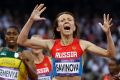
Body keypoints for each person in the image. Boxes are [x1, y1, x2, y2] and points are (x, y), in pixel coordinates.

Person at [17, 4, 116, 80]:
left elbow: (110, 54)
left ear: (73, 27)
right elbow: (21, 41)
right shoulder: (51, 43)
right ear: (58, 28)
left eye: (69, 20)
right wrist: (31, 19)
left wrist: (108, 34)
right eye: (62, 20)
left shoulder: (83, 44)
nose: (66, 21)